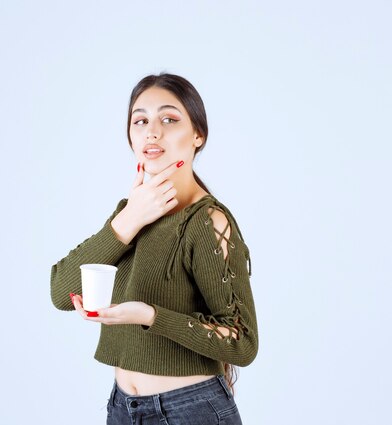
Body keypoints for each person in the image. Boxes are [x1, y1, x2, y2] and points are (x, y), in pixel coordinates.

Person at [50, 73, 258, 424]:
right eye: (140, 120)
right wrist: (129, 218)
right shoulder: (130, 213)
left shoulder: (207, 221)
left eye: (169, 119)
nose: (152, 131)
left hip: (190, 411)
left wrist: (150, 316)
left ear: (198, 135)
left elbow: (242, 341)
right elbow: (61, 293)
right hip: (122, 409)